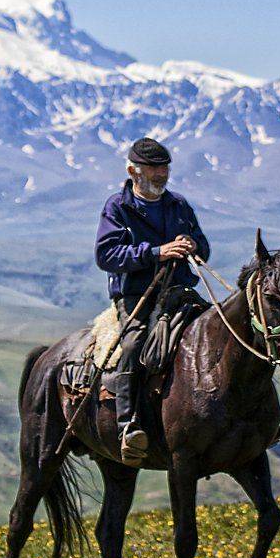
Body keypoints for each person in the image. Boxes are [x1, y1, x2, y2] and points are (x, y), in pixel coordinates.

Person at [94, 137, 211, 465]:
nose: (161, 174)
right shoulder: (117, 207)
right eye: (154, 168)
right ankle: (127, 425)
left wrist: (191, 245)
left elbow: (203, 246)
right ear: (133, 170)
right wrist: (157, 252)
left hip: (179, 290)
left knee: (223, 333)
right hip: (136, 295)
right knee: (133, 344)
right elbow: (106, 255)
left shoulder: (179, 205)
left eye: (164, 168)